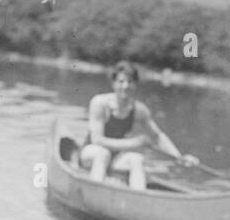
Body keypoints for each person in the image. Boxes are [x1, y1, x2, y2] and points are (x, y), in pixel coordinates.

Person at [79, 61, 198, 190]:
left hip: (114, 159)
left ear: (135, 85)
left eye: (130, 82)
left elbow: (158, 136)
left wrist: (179, 157)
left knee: (137, 158)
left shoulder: (139, 110)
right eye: (121, 81)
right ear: (113, 84)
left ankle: (139, 198)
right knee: (103, 154)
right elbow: (98, 140)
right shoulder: (99, 103)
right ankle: (95, 193)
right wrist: (133, 143)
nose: (125, 86)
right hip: (91, 155)